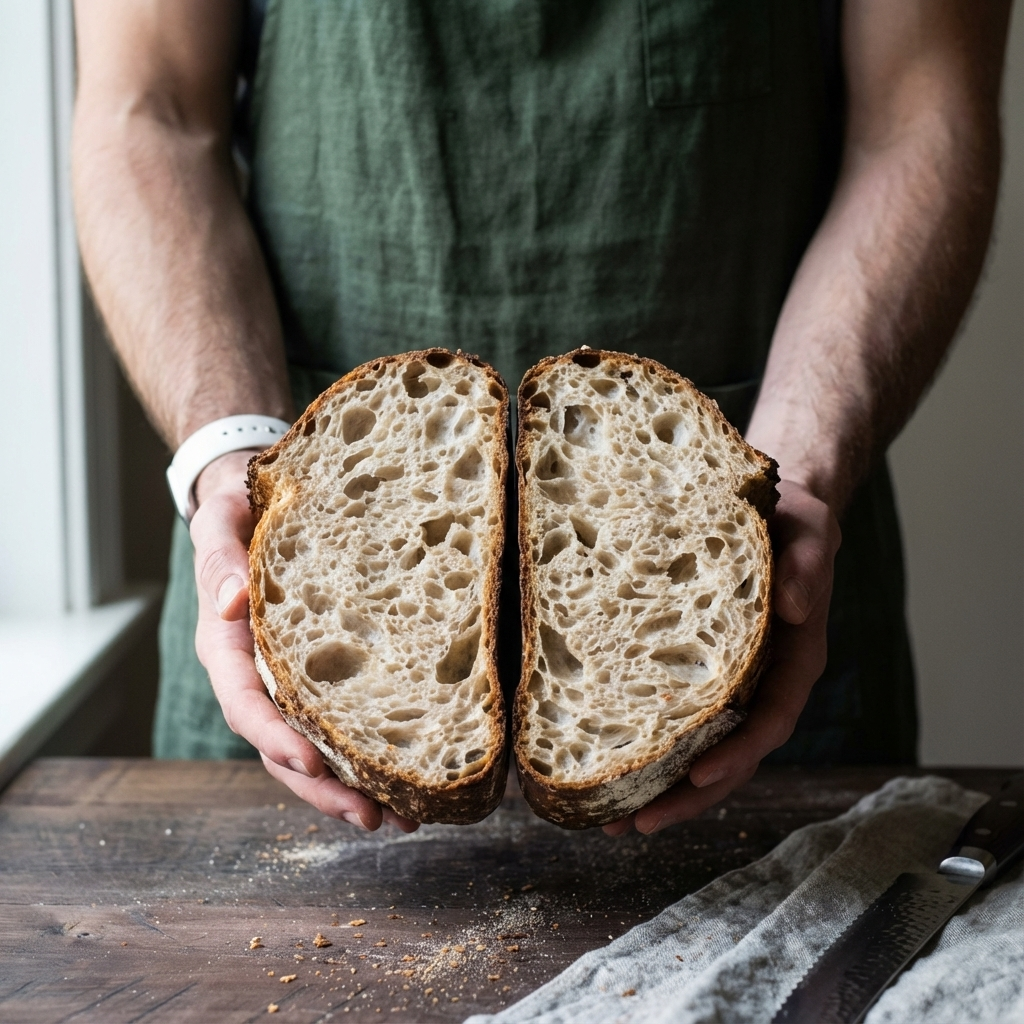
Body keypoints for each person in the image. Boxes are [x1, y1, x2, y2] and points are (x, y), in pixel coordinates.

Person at [71, 0, 1010, 836]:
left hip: (753, 590)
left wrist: (797, 470)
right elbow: (149, 111)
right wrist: (230, 451)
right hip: (308, 609)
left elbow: (919, 117)